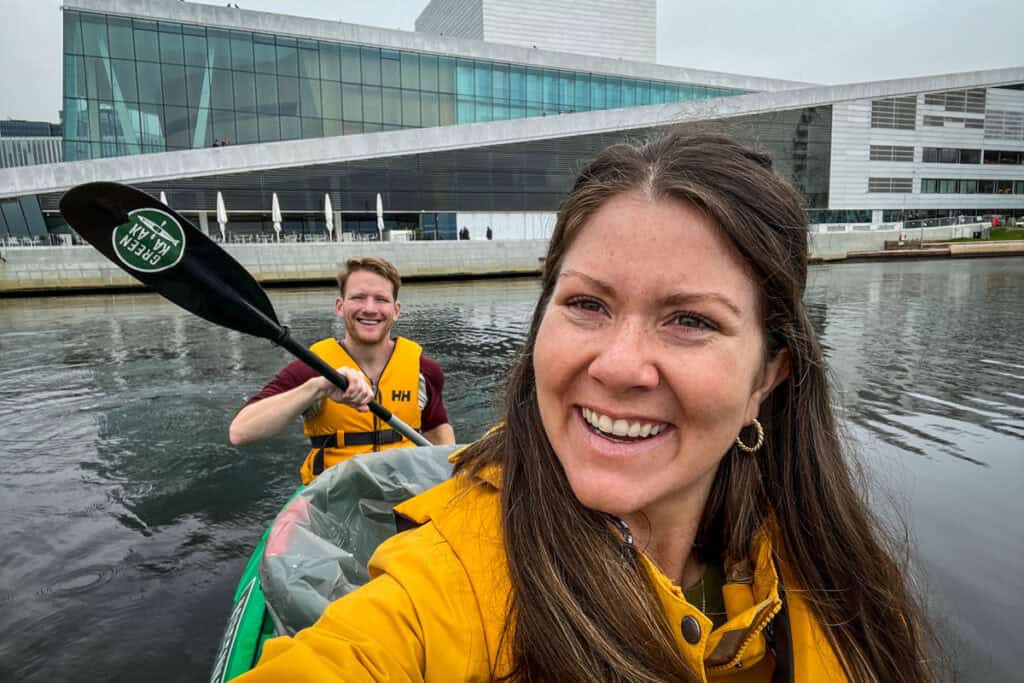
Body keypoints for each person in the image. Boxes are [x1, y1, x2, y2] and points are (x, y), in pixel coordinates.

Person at [234, 134, 935, 682]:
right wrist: (315, 391)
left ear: (767, 378)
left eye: (690, 319)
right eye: (586, 304)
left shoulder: (846, 578)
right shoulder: (450, 576)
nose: (619, 365)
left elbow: (441, 442)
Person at [229, 256, 455, 484]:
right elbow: (240, 431)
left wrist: (452, 477)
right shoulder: (311, 369)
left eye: (381, 299)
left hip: (404, 495)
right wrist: (318, 387)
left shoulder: (425, 370)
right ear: (340, 306)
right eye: (358, 298)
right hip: (333, 503)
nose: (369, 308)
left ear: (396, 310)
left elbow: (437, 430)